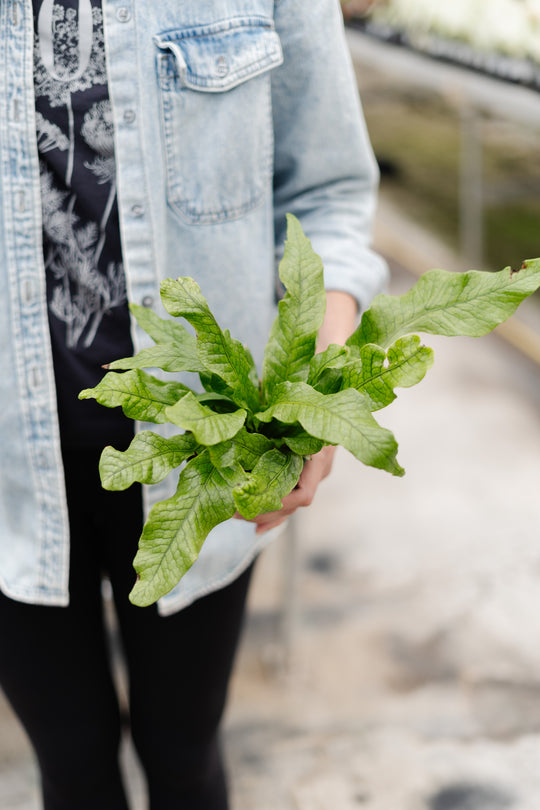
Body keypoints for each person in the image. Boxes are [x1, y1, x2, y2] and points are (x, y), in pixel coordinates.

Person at [0, 1, 388, 808]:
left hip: (202, 458)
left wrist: (322, 383)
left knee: (182, 752)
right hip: (11, 469)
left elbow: (327, 195)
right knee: (71, 765)